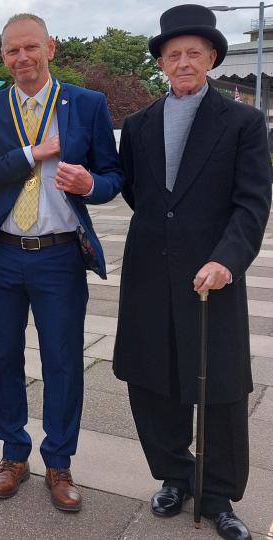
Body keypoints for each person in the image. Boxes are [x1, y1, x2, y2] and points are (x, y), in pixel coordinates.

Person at [113, 6, 271, 540]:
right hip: (149, 272)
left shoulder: (244, 123)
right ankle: (175, 476)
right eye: (173, 54)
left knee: (221, 385)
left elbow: (252, 202)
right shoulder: (137, 125)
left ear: (211, 59)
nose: (183, 62)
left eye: (194, 53)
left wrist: (227, 258)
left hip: (213, 274)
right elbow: (138, 192)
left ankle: (220, 493)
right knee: (154, 379)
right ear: (161, 61)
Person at [0, 13, 123, 512]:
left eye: (30, 47)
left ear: (50, 48)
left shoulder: (86, 103)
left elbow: (112, 174)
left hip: (59, 256)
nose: (21, 58)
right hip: (4, 257)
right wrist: (33, 154)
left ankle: (59, 461)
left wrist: (91, 186)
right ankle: (13, 455)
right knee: (4, 360)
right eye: (12, 51)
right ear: (4, 57)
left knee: (62, 362)